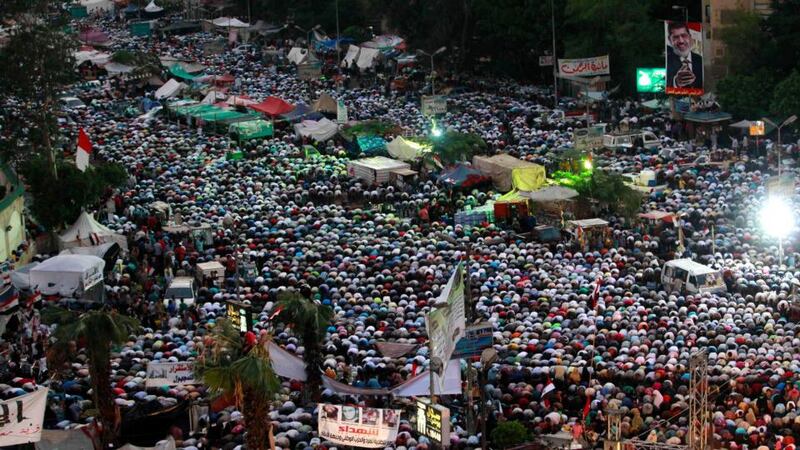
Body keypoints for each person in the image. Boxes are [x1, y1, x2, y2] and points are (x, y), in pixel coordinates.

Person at [666, 22, 703, 90]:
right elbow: (663, 83)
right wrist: (676, 82)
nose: (681, 41)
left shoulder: (700, 60)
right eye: (676, 37)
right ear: (669, 40)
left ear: (690, 37)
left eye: (684, 35)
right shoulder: (667, 61)